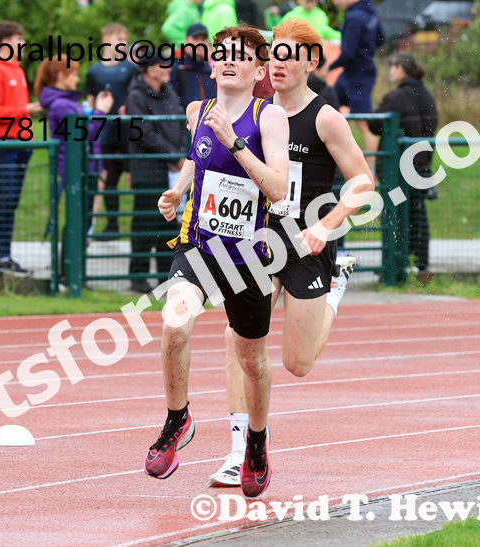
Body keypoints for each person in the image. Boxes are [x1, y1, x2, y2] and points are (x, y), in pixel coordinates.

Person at [208, 19, 373, 488]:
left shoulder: (325, 117)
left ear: (311, 62)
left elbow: (364, 182)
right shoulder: (256, 110)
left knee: (297, 364)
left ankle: (334, 289)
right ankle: (240, 450)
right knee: (237, 340)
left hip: (306, 244)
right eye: (273, 55)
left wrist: (325, 225)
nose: (276, 64)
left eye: (287, 56)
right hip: (259, 241)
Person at [147, 24, 289, 498]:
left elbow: (278, 189)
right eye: (221, 54)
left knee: (252, 360)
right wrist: (178, 190)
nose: (228, 61)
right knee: (174, 323)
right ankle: (177, 419)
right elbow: (195, 157)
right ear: (212, 64)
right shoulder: (197, 111)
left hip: (249, 256)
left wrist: (234, 141)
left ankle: (257, 440)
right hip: (199, 246)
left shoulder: (269, 118)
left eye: (240, 55)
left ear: (258, 69)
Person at [34, 58, 114, 288]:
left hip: (81, 168)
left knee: (79, 222)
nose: (78, 79)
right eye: (74, 74)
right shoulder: (62, 105)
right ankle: (68, 275)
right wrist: (100, 111)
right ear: (61, 76)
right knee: (76, 223)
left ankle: (71, 274)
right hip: (76, 170)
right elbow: (85, 134)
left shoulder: (65, 102)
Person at [0, 20, 42, 277]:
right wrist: (24, 111)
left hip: (19, 144)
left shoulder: (17, 71)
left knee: (11, 201)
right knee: (4, 198)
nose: (23, 44)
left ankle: (4, 255)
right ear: (5, 43)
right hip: (2, 143)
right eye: (18, 40)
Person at [368, 52, 437, 272]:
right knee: (417, 212)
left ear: (401, 69)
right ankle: (421, 262)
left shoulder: (395, 98)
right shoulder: (427, 96)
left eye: (392, 67)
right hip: (421, 165)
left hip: (396, 169)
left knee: (395, 213)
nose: (390, 71)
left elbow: (375, 125)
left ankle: (395, 263)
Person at [125, 53, 186, 292]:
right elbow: (144, 132)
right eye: (163, 65)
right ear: (149, 69)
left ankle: (166, 275)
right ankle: (138, 277)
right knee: (143, 223)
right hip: (147, 170)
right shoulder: (135, 97)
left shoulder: (169, 92)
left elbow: (182, 124)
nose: (169, 70)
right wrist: (173, 155)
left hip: (171, 169)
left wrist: (179, 154)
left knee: (168, 225)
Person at [86, 23, 138, 239]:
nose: (122, 44)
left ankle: (141, 225)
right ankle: (112, 225)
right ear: (106, 39)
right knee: (108, 180)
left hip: (129, 132)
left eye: (125, 40)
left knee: (134, 179)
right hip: (105, 133)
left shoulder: (131, 68)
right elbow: (90, 102)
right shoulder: (94, 71)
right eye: (118, 39)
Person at [329, 0, 385, 171]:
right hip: (353, 73)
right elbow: (382, 38)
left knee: (364, 123)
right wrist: (366, 49)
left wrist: (327, 68)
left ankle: (370, 170)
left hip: (358, 76)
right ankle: (334, 160)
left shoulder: (354, 17)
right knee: (328, 109)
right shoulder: (370, 12)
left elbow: (348, 53)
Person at [170, 23, 216, 107]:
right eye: (195, 38)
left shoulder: (210, 68)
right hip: (185, 119)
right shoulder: (176, 66)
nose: (200, 43)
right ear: (186, 40)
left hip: (209, 118)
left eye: (203, 39)